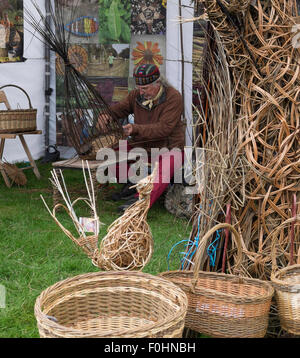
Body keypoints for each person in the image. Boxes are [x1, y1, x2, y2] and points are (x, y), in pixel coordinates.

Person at [98, 63, 185, 212]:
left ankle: (139, 203)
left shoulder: (173, 97)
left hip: (169, 149)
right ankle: (133, 185)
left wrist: (135, 129)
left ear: (158, 83)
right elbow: (120, 109)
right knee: (109, 155)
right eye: (139, 87)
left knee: (163, 171)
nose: (141, 92)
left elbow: (164, 128)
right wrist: (106, 115)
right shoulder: (136, 95)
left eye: (145, 88)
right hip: (142, 146)